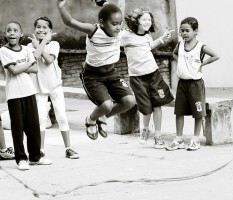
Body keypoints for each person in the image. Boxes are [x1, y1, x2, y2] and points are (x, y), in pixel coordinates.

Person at [57, 0, 136, 140]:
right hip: (92, 76)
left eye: (120, 23)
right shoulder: (93, 30)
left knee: (129, 101)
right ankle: (91, 119)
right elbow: (70, 21)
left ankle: (103, 117)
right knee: (107, 105)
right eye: (114, 24)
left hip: (112, 73)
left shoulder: (118, 29)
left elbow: (121, 6)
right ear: (101, 22)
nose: (118, 28)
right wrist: (60, 5)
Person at [0, 21, 52, 170]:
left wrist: (19, 66)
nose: (12, 33)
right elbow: (13, 71)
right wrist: (27, 64)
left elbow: (35, 69)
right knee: (18, 128)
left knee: (34, 126)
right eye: (8, 30)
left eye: (15, 30)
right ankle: (21, 159)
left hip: (29, 91)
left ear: (21, 34)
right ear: (5, 35)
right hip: (14, 94)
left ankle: (35, 157)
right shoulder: (3, 50)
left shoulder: (25, 49)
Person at [27, 16, 79, 159]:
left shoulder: (54, 44)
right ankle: (41, 150)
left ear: (50, 30)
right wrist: (39, 45)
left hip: (55, 86)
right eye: (38, 27)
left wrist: (41, 44)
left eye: (45, 27)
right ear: (34, 29)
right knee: (41, 119)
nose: (41, 29)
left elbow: (49, 60)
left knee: (61, 116)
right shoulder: (28, 47)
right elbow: (36, 57)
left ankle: (68, 148)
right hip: (38, 88)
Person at [122, 8, 174, 149]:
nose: (147, 22)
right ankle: (144, 130)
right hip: (137, 77)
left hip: (153, 74)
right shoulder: (125, 35)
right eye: (144, 19)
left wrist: (163, 38)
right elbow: (113, 37)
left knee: (157, 104)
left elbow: (150, 46)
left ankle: (158, 136)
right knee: (146, 108)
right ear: (136, 21)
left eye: (149, 20)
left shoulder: (147, 36)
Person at [166, 17, 219, 151]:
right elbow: (174, 54)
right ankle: (178, 139)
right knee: (179, 112)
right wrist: (181, 63)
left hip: (195, 84)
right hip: (182, 84)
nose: (184, 33)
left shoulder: (201, 46)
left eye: (187, 31)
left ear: (195, 31)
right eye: (182, 31)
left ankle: (195, 139)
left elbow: (216, 55)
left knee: (198, 112)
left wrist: (202, 64)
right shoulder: (180, 45)